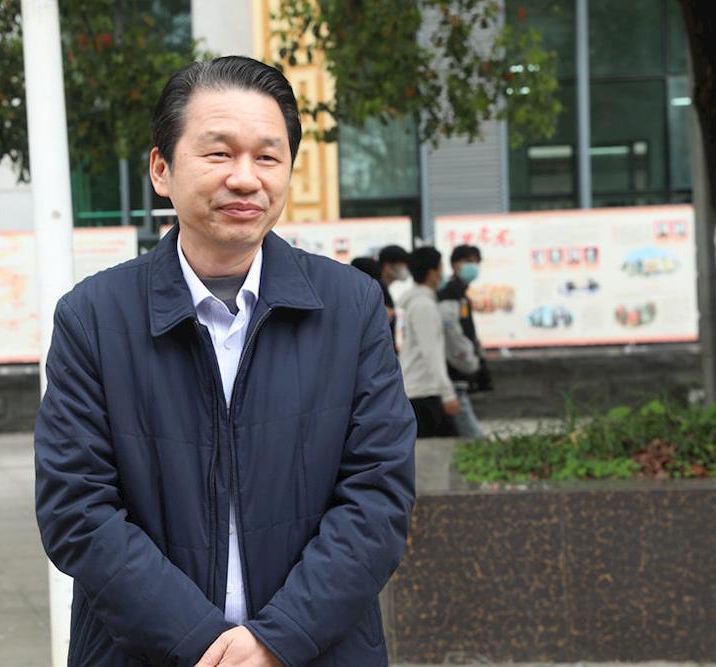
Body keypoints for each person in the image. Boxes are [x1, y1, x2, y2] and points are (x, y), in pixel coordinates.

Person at [34, 56, 417, 667]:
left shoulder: (351, 307)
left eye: (267, 157)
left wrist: (277, 639)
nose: (245, 178)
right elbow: (76, 509)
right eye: (218, 154)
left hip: (316, 651)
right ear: (161, 170)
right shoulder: (93, 318)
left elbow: (378, 495)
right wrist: (203, 646)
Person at [396, 246, 460, 437]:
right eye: (441, 267)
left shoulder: (419, 303)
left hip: (420, 390)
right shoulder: (424, 306)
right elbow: (431, 352)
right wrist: (448, 394)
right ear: (432, 273)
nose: (442, 273)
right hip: (423, 392)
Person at [437, 245, 492, 439]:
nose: (473, 266)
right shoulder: (450, 292)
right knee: (470, 431)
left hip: (456, 368)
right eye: (468, 261)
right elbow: (451, 330)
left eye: (476, 262)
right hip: (454, 370)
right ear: (454, 264)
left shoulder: (459, 292)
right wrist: (468, 359)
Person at [377, 245, 410, 334]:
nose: (405, 269)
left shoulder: (383, 289)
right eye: (402, 265)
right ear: (387, 266)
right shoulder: (377, 291)